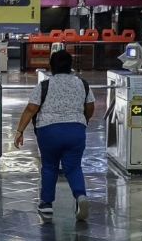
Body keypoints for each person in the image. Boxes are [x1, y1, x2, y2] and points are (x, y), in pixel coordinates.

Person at [14, 50, 95, 221]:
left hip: (49, 132)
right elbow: (90, 106)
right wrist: (82, 121)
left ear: (51, 67)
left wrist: (20, 131)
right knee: (73, 167)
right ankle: (80, 196)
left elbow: (31, 109)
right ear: (70, 66)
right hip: (76, 130)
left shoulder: (44, 85)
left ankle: (47, 204)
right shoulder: (82, 84)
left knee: (50, 166)